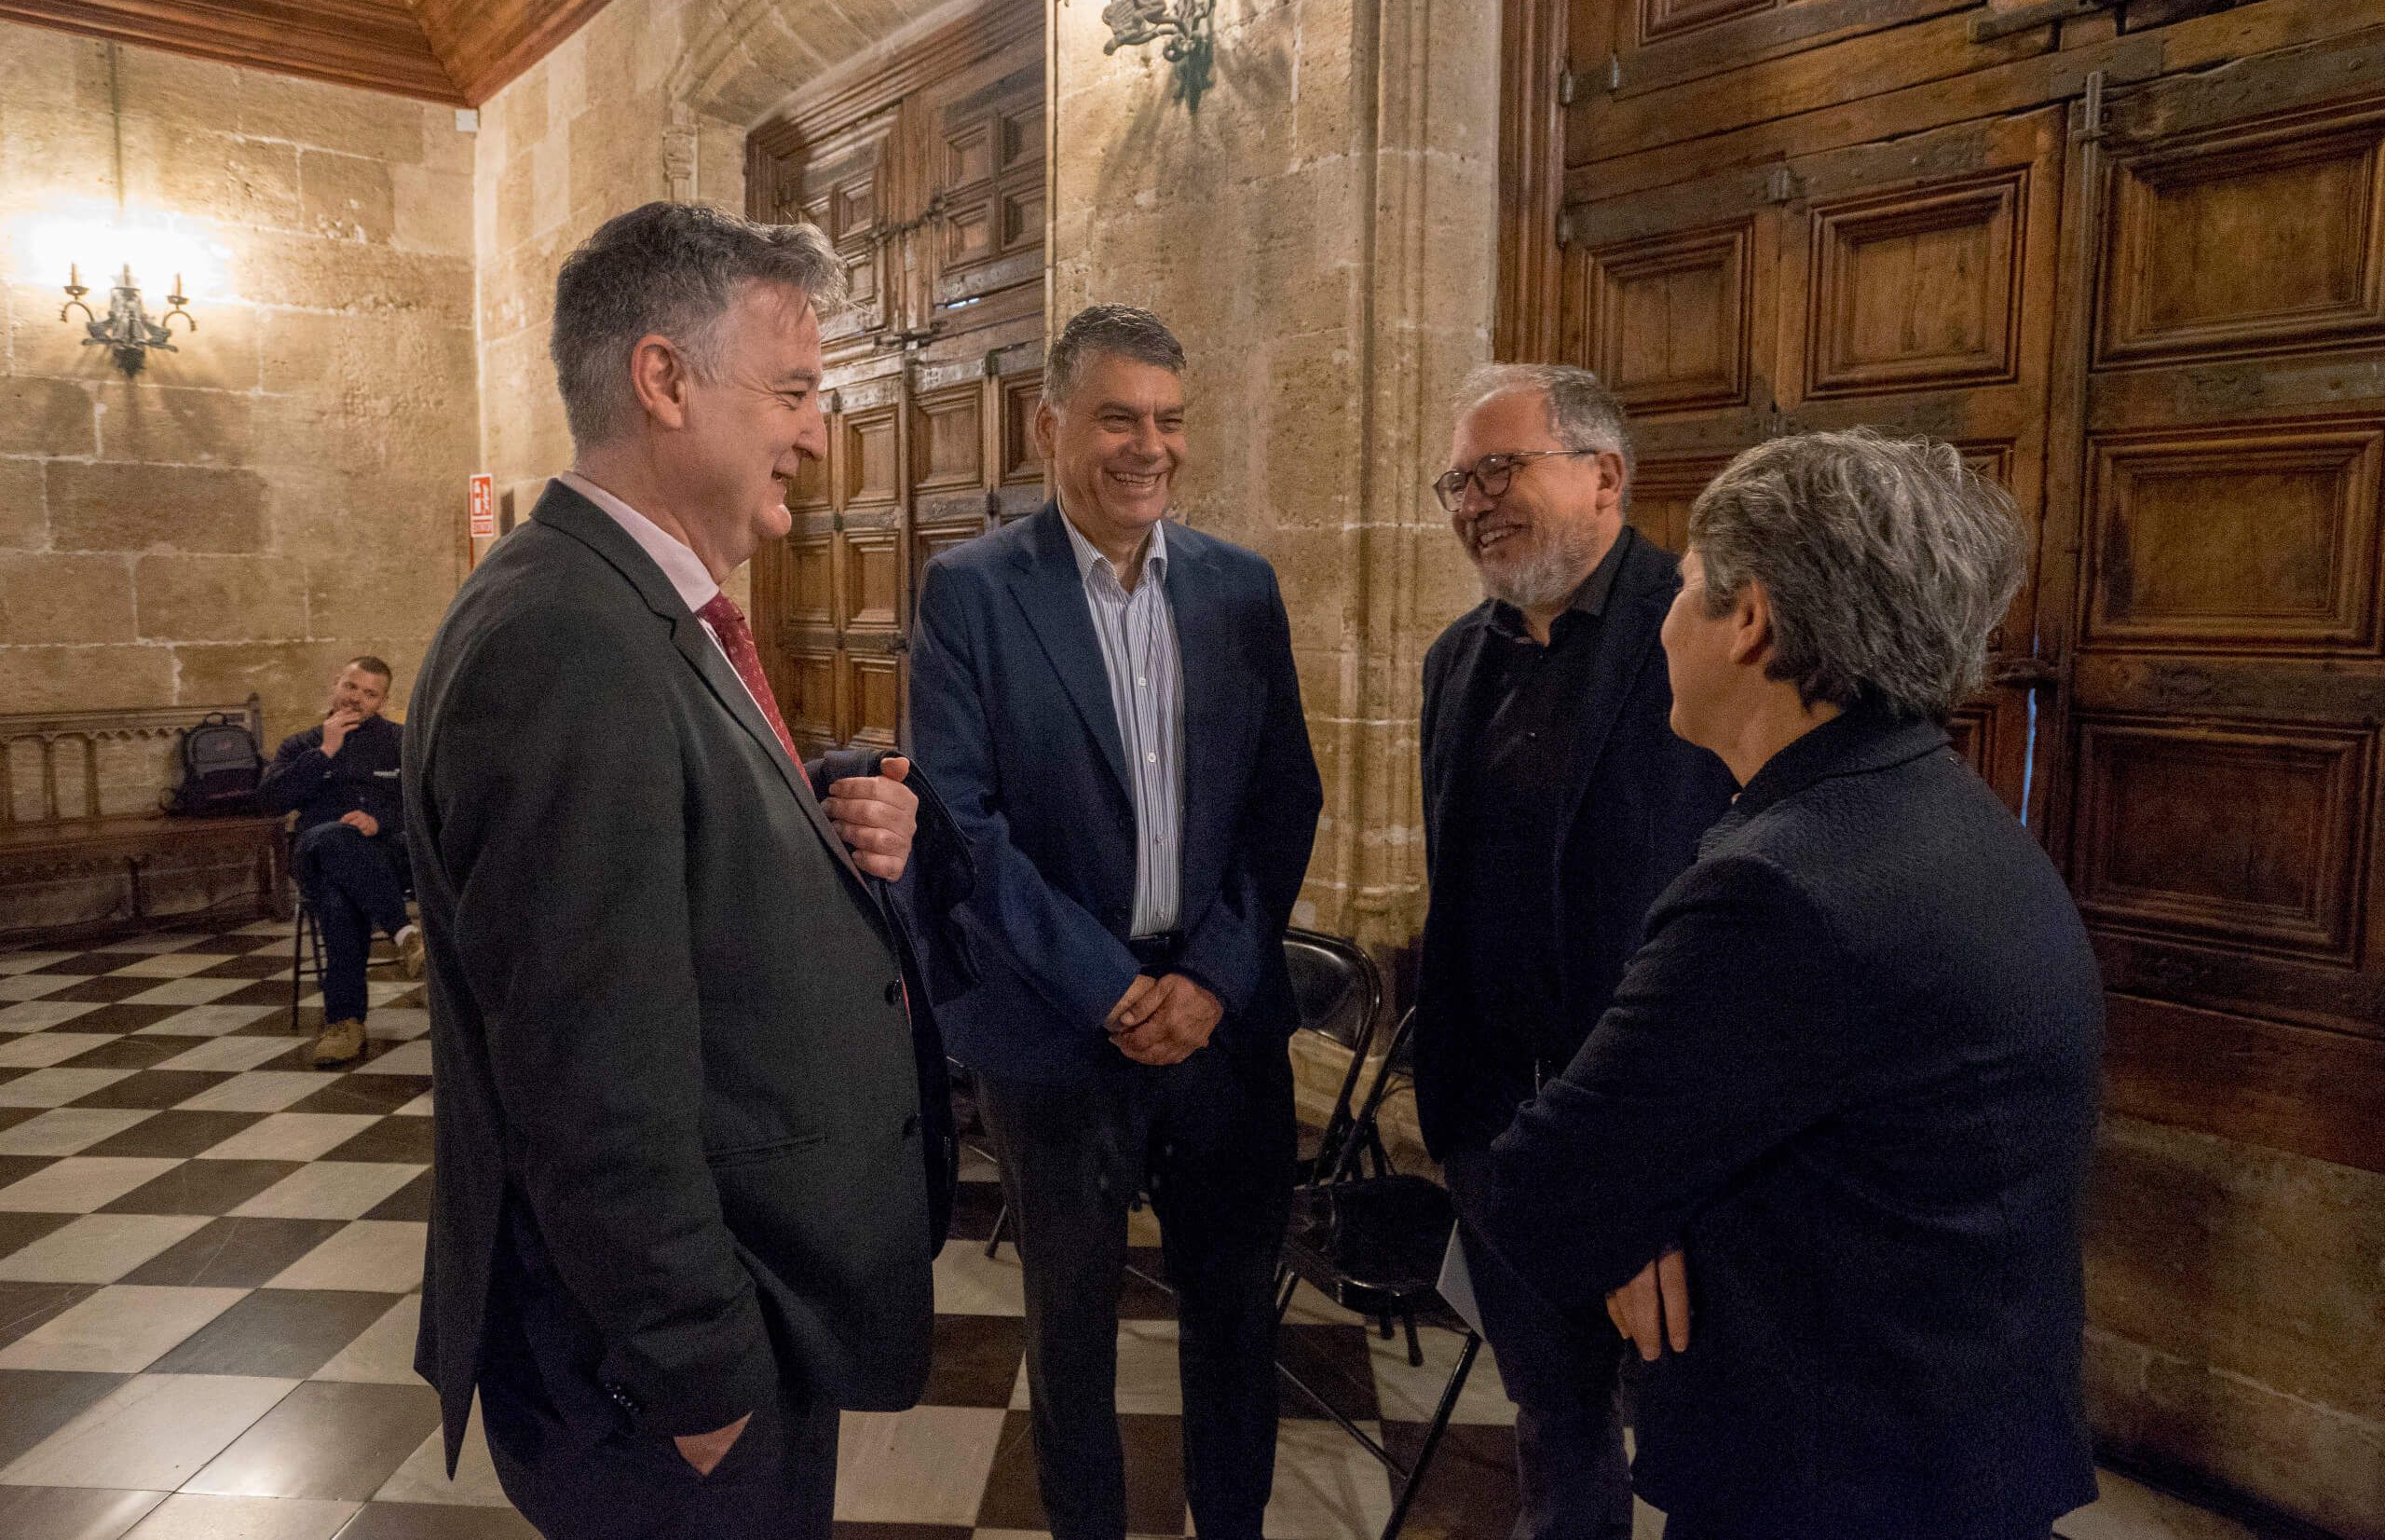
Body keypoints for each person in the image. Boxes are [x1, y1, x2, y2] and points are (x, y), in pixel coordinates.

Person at [403, 201, 946, 1540]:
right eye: (797, 390)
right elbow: (588, 1080)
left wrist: (800, 820)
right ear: (664, 378)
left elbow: (651, 891)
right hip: (656, 1383)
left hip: (729, 1311)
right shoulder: (567, 639)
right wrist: (703, 1373)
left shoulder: (627, 603)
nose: (819, 431)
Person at [1476, 430, 2104, 1539]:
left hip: (1827, 1479)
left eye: (1682, 589)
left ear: (1751, 619)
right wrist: (1642, 1205)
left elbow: (1544, 1194)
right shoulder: (1951, 815)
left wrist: (1630, 1208)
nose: (1666, 622)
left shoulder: (1782, 886)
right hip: (1955, 1451)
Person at [905, 304, 1323, 1540]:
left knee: (1237, 1305)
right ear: (1051, 427)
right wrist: (1109, 988)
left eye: (1170, 420)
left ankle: (1232, 1523)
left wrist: (1213, 977)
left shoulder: (1240, 589)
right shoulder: (973, 591)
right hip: (1057, 1020)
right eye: (1119, 417)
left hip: (1219, 1020)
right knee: (1072, 1322)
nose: (1150, 445)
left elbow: (1281, 798)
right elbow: (962, 825)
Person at [1417, 364, 1735, 1540]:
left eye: (1502, 468)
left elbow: (1726, 934)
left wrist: (1659, 1175)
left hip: (1657, 1145)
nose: (1474, 500)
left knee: (1709, 1444)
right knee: (1555, 1423)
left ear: (1604, 474)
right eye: (1458, 478)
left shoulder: (1705, 632)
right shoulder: (1457, 660)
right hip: (1500, 1133)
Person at [257, 655, 423, 1069]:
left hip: (385, 857)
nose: (358, 699)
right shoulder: (301, 745)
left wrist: (378, 820)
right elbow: (270, 802)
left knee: (339, 895)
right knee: (330, 839)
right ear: (336, 684)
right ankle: (405, 934)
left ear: (382, 701)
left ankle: (344, 1022)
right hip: (318, 856)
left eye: (370, 693)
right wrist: (325, 752)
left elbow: (423, 803)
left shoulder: (400, 741)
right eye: (352, 687)